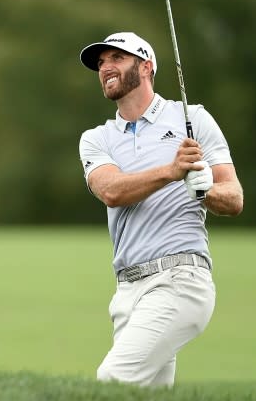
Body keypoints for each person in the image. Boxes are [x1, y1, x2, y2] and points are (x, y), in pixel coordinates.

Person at [78, 31, 244, 388]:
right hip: (126, 292)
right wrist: (171, 172)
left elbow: (234, 198)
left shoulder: (192, 118)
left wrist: (204, 191)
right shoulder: (97, 138)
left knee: (111, 383)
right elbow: (110, 190)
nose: (105, 67)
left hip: (180, 280)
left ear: (146, 66)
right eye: (101, 62)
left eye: (116, 58)